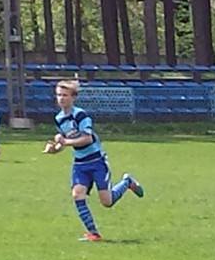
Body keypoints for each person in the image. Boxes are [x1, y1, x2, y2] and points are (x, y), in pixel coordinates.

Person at [44, 80, 145, 242]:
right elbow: (65, 142)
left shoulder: (80, 115)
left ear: (73, 97)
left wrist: (64, 142)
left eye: (65, 95)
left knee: (107, 202)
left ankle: (127, 182)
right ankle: (93, 233)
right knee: (77, 195)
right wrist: (54, 149)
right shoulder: (59, 118)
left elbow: (87, 138)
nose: (61, 98)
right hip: (80, 164)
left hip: (96, 161)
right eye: (58, 95)